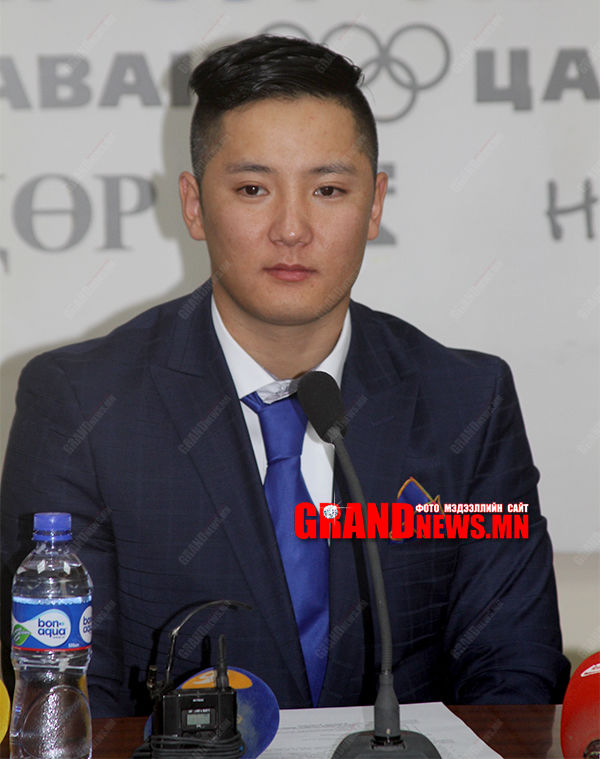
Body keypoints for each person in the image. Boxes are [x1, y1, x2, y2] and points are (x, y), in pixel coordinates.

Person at [1, 35, 569, 718]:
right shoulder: (83, 404)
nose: (292, 228)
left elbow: (514, 675)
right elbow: (65, 696)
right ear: (193, 204)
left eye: (328, 189)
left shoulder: (467, 403)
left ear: (375, 204)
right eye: (253, 189)